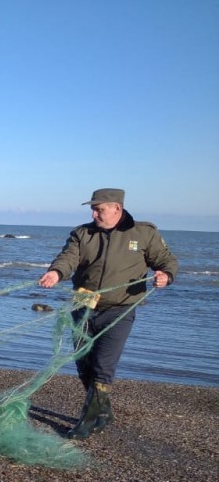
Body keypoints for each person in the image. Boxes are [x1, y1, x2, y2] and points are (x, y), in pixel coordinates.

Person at [38, 188, 178, 439]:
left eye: (99, 209)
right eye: (93, 209)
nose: (94, 213)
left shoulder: (144, 233)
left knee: (103, 366)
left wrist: (165, 276)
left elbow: (166, 261)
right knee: (83, 363)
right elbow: (68, 258)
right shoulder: (83, 233)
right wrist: (56, 273)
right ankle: (103, 410)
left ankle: (86, 421)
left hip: (120, 308)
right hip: (82, 305)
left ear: (117, 209)